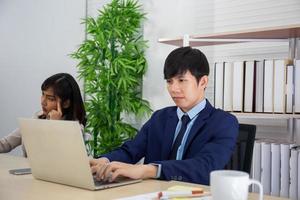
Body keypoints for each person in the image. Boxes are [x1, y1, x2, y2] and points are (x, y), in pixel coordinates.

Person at [90, 47, 239, 185]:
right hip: (153, 194)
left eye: (181, 80)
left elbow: (205, 167)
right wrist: (104, 161)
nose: (173, 89)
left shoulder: (223, 122)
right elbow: (131, 150)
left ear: (203, 82)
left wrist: (149, 170)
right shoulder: (160, 118)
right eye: (169, 81)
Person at [0, 73, 87, 155]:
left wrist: (54, 125)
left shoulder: (76, 128)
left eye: (50, 98)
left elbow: (51, 156)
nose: (43, 102)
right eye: (43, 94)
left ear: (66, 103)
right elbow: (6, 144)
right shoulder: (38, 117)